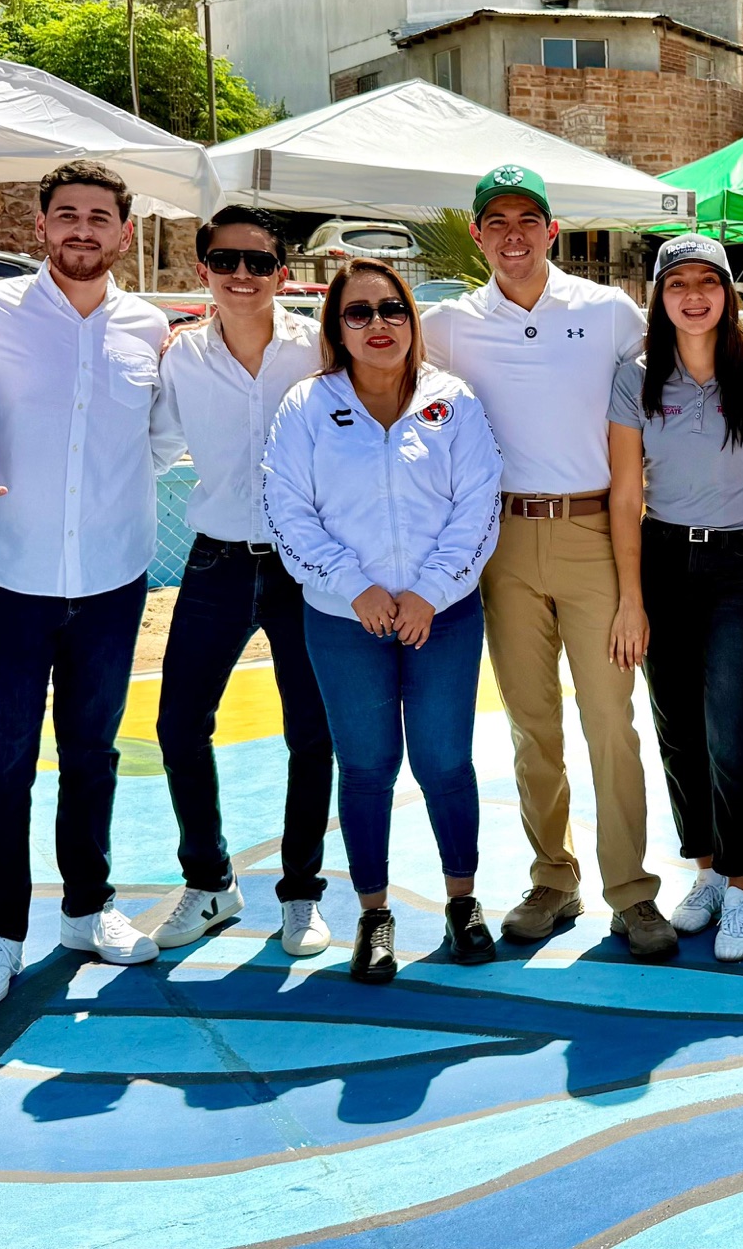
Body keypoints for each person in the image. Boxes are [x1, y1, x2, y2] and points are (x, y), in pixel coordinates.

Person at [423, 166, 743, 959]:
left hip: (601, 532)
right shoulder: (449, 325)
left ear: (552, 229)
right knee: (535, 726)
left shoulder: (605, 313)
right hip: (504, 538)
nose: (513, 235)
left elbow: (714, 364)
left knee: (617, 721)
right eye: (496, 222)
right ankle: (553, 877)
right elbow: (369, 355)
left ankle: (634, 890)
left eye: (527, 219)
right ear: (476, 234)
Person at [0, 161, 167, 1007]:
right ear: (40, 226)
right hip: (5, 575)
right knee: (2, 761)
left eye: (99, 217)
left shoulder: (150, 326)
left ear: (124, 232)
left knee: (92, 754)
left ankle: (87, 907)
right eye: (67, 214)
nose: (83, 229)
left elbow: (159, 441)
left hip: (112, 578)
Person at [263, 260, 505, 981]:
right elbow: (286, 507)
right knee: (367, 767)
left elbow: (478, 503)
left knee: (444, 761)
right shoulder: (307, 404)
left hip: (444, 616)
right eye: (358, 312)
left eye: (392, 308)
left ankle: (462, 901)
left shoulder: (452, 400)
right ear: (336, 327)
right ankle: (374, 915)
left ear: (411, 318)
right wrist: (354, 587)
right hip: (345, 621)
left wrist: (431, 591)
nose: (378, 324)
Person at [148, 207, 335, 958]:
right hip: (217, 560)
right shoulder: (180, 358)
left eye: (258, 261)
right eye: (225, 260)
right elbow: (153, 447)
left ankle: (301, 892)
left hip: (304, 564)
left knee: (312, 732)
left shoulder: (319, 348)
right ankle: (211, 882)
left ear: (283, 273)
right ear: (203, 270)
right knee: (177, 725)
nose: (242, 274)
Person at [609, 234, 743, 962]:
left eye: (707, 281)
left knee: (731, 726)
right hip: (661, 559)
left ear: (728, 292)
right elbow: (625, 495)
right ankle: (708, 871)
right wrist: (632, 598)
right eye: (677, 283)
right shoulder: (635, 377)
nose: (693, 296)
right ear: (659, 296)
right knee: (678, 726)